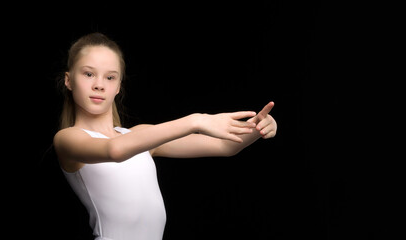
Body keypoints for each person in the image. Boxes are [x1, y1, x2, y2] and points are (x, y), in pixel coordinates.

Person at [53, 32, 277, 240]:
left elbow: (225, 147)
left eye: (110, 77)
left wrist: (258, 129)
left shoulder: (139, 136)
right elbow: (115, 150)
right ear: (69, 80)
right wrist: (194, 120)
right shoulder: (67, 139)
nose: (99, 85)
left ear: (119, 86)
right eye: (88, 74)